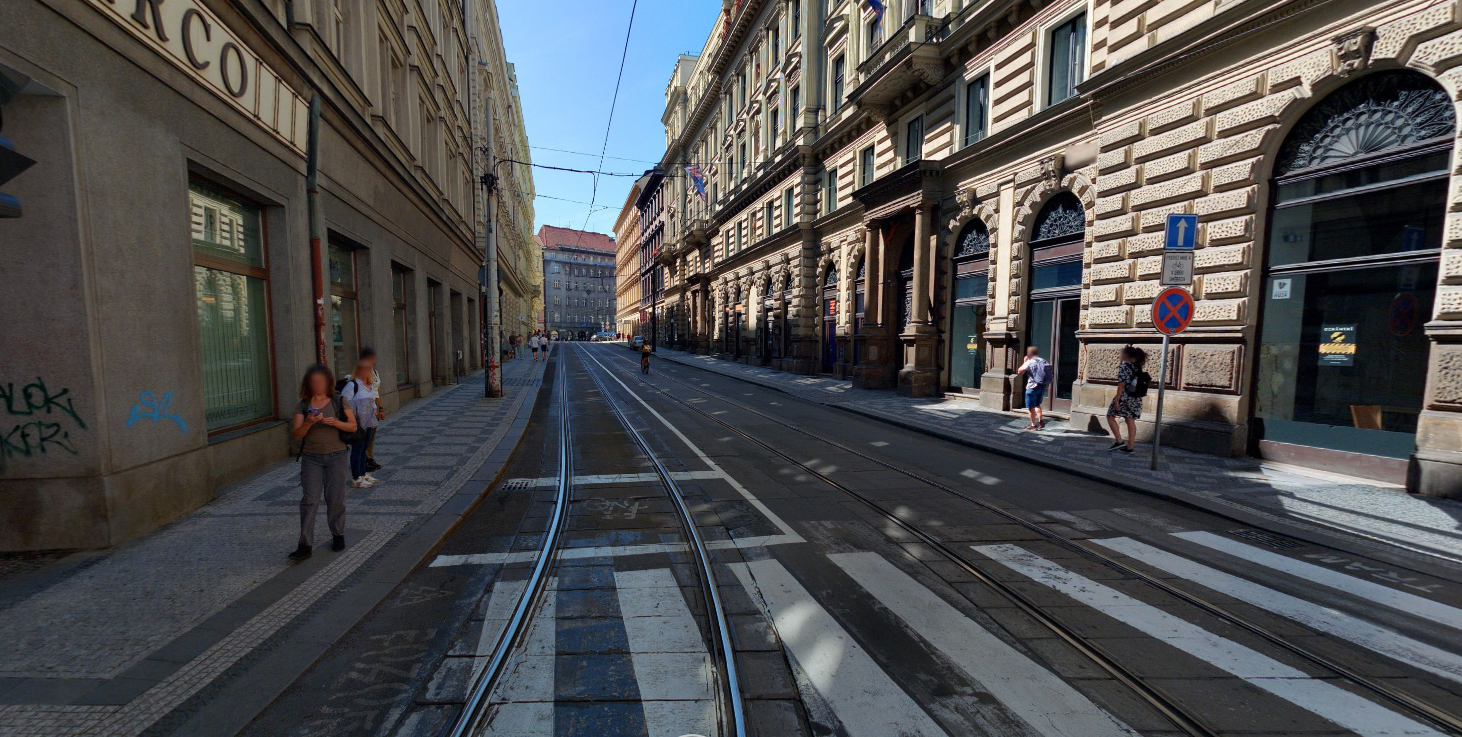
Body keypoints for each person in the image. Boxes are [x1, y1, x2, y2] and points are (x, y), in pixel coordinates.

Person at [290, 365, 357, 559]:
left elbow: (353, 427)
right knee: (309, 500)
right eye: (314, 381)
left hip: (337, 456)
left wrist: (335, 422)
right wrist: (309, 422)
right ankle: (305, 544)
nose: (317, 385)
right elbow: (296, 435)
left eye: (321, 381)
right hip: (312, 458)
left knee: (335, 498)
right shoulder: (302, 405)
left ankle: (338, 534)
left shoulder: (339, 401)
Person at [341, 360, 381, 488]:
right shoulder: (353, 385)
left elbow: (373, 400)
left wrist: (374, 407)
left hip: (369, 421)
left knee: (364, 449)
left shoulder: (369, 385)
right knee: (357, 450)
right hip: (357, 423)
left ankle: (363, 474)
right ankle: (356, 477)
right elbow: (344, 402)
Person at [1106, 345, 1149, 454]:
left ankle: (1119, 441)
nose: (1120, 355)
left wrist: (1117, 400)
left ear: (1126, 355)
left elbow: (1121, 384)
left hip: (1125, 397)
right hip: (1136, 398)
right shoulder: (1137, 366)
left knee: (1110, 416)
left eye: (1122, 353)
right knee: (1130, 420)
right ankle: (1130, 447)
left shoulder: (1124, 367)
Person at [359, 347, 384, 473]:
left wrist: (382, 408)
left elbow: (377, 390)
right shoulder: (363, 372)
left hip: (376, 404)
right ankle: (364, 459)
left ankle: (369, 457)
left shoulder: (375, 372)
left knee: (373, 433)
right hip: (367, 406)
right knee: (366, 433)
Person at [1016, 346, 1052, 431]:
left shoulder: (1030, 362)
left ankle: (1033, 425)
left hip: (1032, 387)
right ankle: (1041, 421)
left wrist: (1024, 362)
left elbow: (1019, 371)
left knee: (1030, 407)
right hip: (1042, 386)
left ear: (1029, 354)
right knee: (1037, 404)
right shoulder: (1043, 360)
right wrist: (1046, 385)